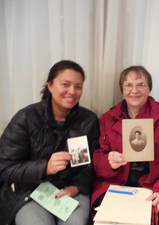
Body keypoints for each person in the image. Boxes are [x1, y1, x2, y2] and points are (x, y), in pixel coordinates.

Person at [0, 60, 100, 225]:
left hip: (73, 189)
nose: (72, 92)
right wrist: (44, 167)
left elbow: (91, 165)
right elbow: (4, 167)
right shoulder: (26, 118)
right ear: (50, 85)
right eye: (65, 84)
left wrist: (77, 187)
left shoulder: (88, 120)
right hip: (30, 191)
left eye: (78, 87)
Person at [91, 66, 159, 223]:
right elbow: (97, 161)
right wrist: (110, 163)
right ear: (122, 89)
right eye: (128, 85)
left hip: (150, 189)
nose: (134, 90)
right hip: (114, 187)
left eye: (141, 85)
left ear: (149, 89)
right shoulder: (108, 118)